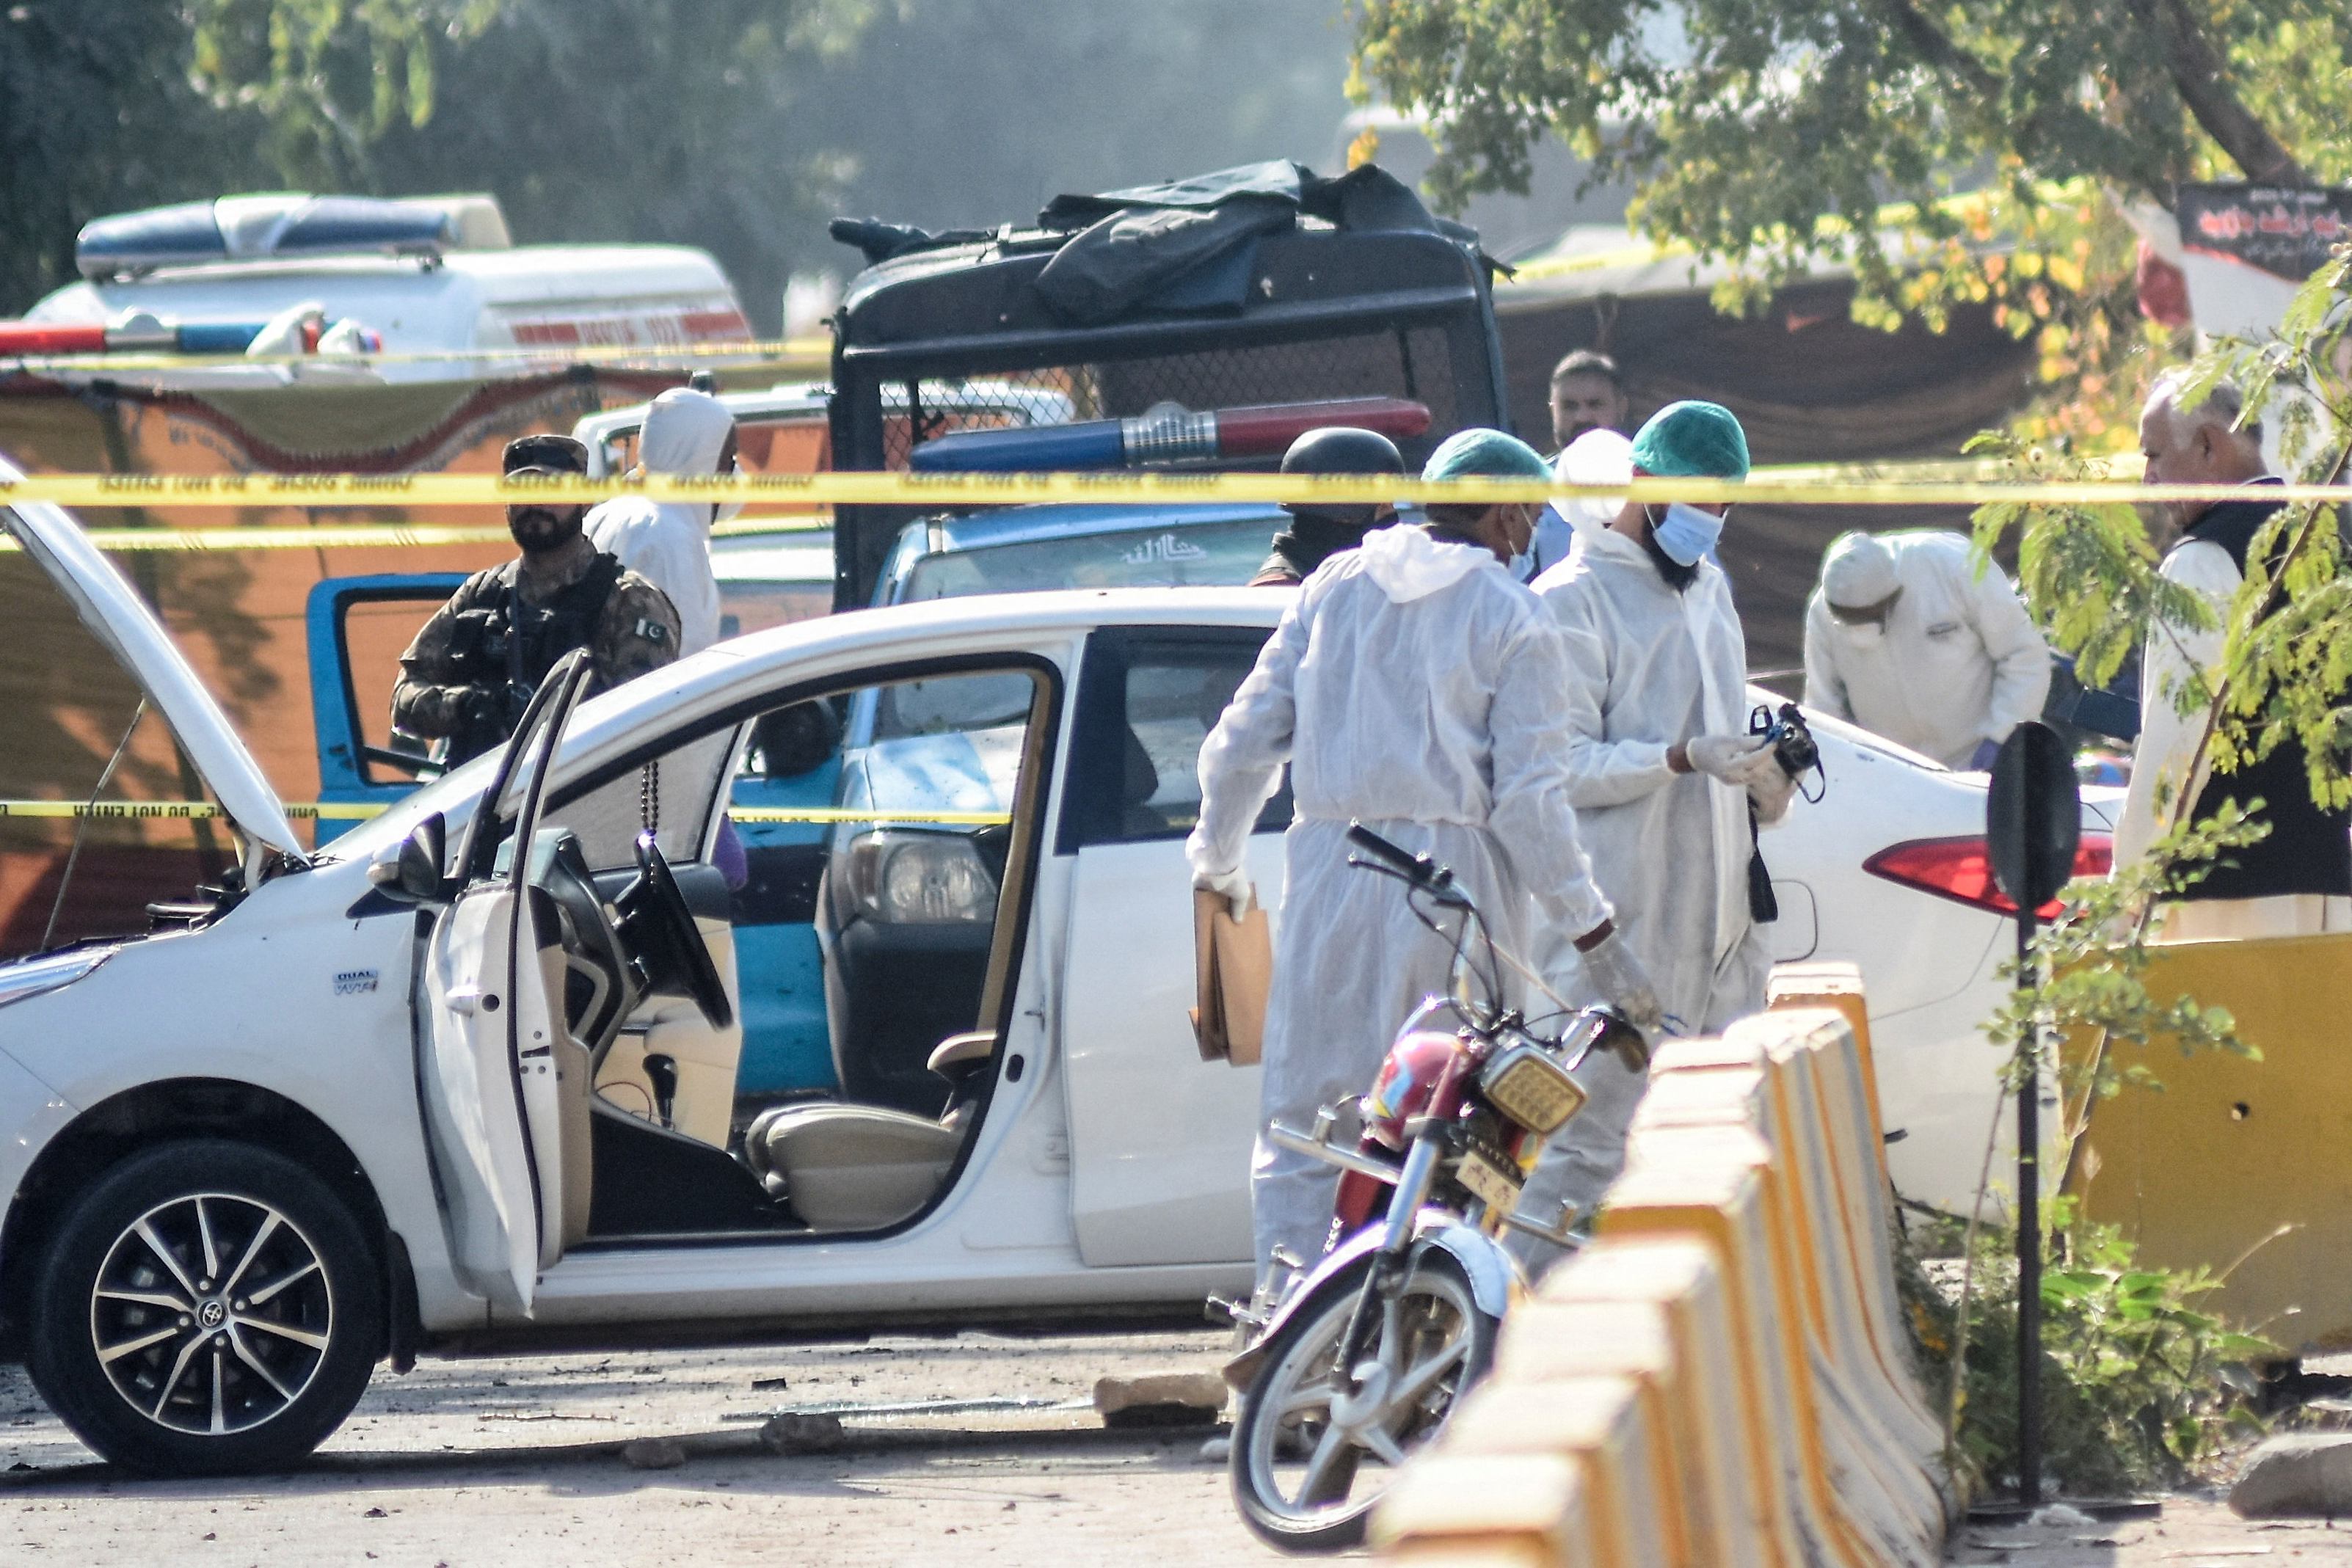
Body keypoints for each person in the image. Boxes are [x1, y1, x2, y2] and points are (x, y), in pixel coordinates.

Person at [1188, 427, 1661, 1289]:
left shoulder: (1333, 588)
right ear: (1511, 516)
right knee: (1443, 1137)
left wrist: (1217, 864)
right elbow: (1528, 806)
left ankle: (1284, 1327)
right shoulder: (1515, 619)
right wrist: (1597, 938)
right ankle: (1404, 1347)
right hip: (1453, 900)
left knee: (1309, 1124)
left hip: (1334, 873)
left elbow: (1238, 747)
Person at [1514, 401, 1791, 1272]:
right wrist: (1677, 756)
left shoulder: (1709, 593)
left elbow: (1725, 728)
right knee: (1587, 1151)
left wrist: (1762, 778)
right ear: (1637, 482)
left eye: (1726, 505)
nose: (1712, 520)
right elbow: (1559, 768)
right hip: (1621, 929)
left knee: (1714, 1153)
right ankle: (1507, 1349)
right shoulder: (1571, 601)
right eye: (1697, 498)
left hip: (1717, 929)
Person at [2115, 371, 2352, 939]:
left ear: (2206, 445)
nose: (2146, 481)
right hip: (2327, 890)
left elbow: (2177, 744)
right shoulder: (2325, 546)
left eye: (2153, 456)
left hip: (2220, 900)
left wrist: (2127, 886)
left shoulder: (2199, 562)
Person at [393, 434, 682, 765]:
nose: (535, 504)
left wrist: (558, 717)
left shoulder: (629, 601)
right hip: (482, 804)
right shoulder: (482, 595)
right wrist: (468, 707)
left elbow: (646, 720)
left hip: (578, 800)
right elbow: (404, 698)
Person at [1802, 529, 2052, 770]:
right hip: (1892, 771)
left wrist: (2003, 737)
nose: (1864, 628)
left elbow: (2022, 654)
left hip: (1980, 758)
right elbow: (1823, 706)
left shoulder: (1953, 567)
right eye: (1851, 619)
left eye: (1873, 614)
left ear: (1895, 593)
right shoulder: (1822, 613)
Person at [585, 386, 739, 655]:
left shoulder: (607, 513)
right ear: (701, 457)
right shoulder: (670, 539)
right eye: (728, 459)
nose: (733, 473)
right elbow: (680, 663)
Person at [1248, 426, 1404, 586]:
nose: (1391, 513)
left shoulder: (1365, 572)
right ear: (1341, 512)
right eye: (1382, 504)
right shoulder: (1280, 586)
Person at [1550, 349, 1629, 451]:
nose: (1582, 418)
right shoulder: (1538, 467)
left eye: (1595, 405)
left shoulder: (1642, 467)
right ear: (1553, 411)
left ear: (1622, 408)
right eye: (1569, 407)